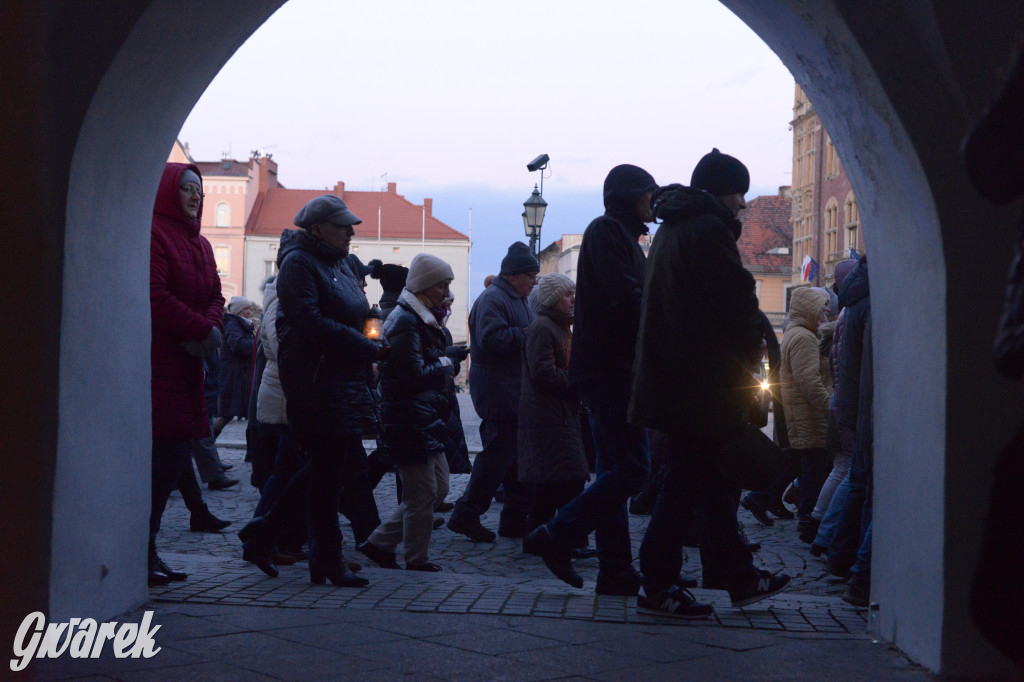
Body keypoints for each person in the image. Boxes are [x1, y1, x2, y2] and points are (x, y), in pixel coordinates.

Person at [630, 149, 790, 617]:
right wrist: (750, 366)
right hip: (702, 385)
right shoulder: (708, 231)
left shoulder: (673, 230)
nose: (743, 205)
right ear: (725, 193)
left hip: (680, 381)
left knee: (708, 484)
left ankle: (738, 577)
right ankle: (658, 583)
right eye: (740, 194)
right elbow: (737, 308)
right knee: (686, 486)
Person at [239, 194, 385, 587]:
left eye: (351, 226)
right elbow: (308, 321)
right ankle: (288, 541)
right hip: (316, 382)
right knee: (324, 471)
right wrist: (362, 345)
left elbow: (353, 311)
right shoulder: (299, 264)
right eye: (343, 227)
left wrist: (371, 328)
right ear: (318, 229)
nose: (351, 233)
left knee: (325, 473)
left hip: (343, 380)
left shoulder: (337, 264)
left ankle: (289, 542)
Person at [524, 164, 657, 594]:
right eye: (647, 194)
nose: (652, 202)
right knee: (633, 470)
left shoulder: (624, 238)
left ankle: (615, 570)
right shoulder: (606, 232)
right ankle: (557, 533)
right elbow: (628, 299)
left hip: (614, 369)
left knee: (615, 470)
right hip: (609, 371)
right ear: (629, 196)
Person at [360, 253, 464, 572]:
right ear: (423, 286)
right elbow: (411, 373)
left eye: (448, 284)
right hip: (407, 419)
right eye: (441, 285)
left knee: (440, 488)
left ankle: (379, 543)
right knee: (422, 494)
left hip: (423, 418)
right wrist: (447, 362)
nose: (447, 292)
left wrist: (444, 356)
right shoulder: (406, 320)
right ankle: (416, 558)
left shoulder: (423, 317)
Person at [148, 163, 225, 586]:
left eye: (199, 190)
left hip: (187, 365)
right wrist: (198, 330)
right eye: (187, 189)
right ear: (168, 193)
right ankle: (143, 550)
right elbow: (154, 293)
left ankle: (148, 549)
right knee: (163, 462)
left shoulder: (203, 245)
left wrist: (209, 328)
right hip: (162, 362)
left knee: (174, 456)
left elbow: (215, 294)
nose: (195, 196)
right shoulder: (155, 232)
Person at [446, 243, 538, 542]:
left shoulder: (514, 297)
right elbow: (492, 340)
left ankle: (512, 520)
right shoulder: (494, 299)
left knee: (514, 456)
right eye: (531, 275)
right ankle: (466, 513)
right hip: (499, 390)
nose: (534, 281)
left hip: (511, 388)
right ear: (515, 275)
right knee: (497, 455)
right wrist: (530, 335)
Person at [517, 274, 589, 533]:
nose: (573, 300)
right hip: (549, 417)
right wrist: (578, 379)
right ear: (551, 299)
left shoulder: (560, 326)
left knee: (554, 482)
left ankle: (543, 535)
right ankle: (563, 537)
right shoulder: (544, 328)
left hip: (559, 414)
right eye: (566, 295)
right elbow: (543, 372)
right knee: (567, 480)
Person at [215, 296, 255, 435]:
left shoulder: (243, 324)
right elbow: (239, 346)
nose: (249, 312)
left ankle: (252, 453)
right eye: (245, 309)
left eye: (250, 309)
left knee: (251, 414)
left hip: (240, 376)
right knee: (227, 415)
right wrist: (256, 344)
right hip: (234, 377)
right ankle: (206, 442)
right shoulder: (233, 324)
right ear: (238, 310)